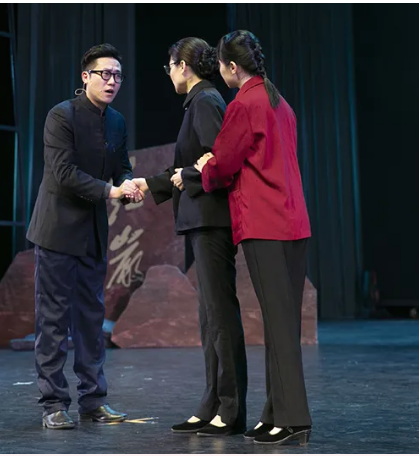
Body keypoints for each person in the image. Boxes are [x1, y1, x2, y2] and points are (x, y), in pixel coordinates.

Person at [194, 30, 313, 446]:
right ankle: (274, 413)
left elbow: (225, 164)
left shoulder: (244, 104)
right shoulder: (280, 102)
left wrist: (206, 167)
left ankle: (294, 419)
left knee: (279, 326)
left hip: (266, 223)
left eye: (221, 65)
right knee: (284, 323)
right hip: (293, 221)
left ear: (231, 67)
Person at [131, 37, 248, 437]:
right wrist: (149, 183)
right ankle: (211, 403)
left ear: (183, 65)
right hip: (202, 220)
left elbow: (221, 161)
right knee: (209, 318)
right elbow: (190, 165)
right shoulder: (199, 102)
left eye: (170, 66)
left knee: (220, 315)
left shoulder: (205, 101)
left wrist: (192, 174)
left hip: (212, 220)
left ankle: (231, 409)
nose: (169, 74)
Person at [26, 43, 142, 430]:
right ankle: (53, 404)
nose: (112, 82)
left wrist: (129, 183)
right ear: (85, 77)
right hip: (57, 231)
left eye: (117, 76)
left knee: (92, 320)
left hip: (92, 232)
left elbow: (121, 166)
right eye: (104, 74)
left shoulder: (116, 121)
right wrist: (111, 191)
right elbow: (63, 174)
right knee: (53, 321)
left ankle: (93, 401)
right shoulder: (62, 116)